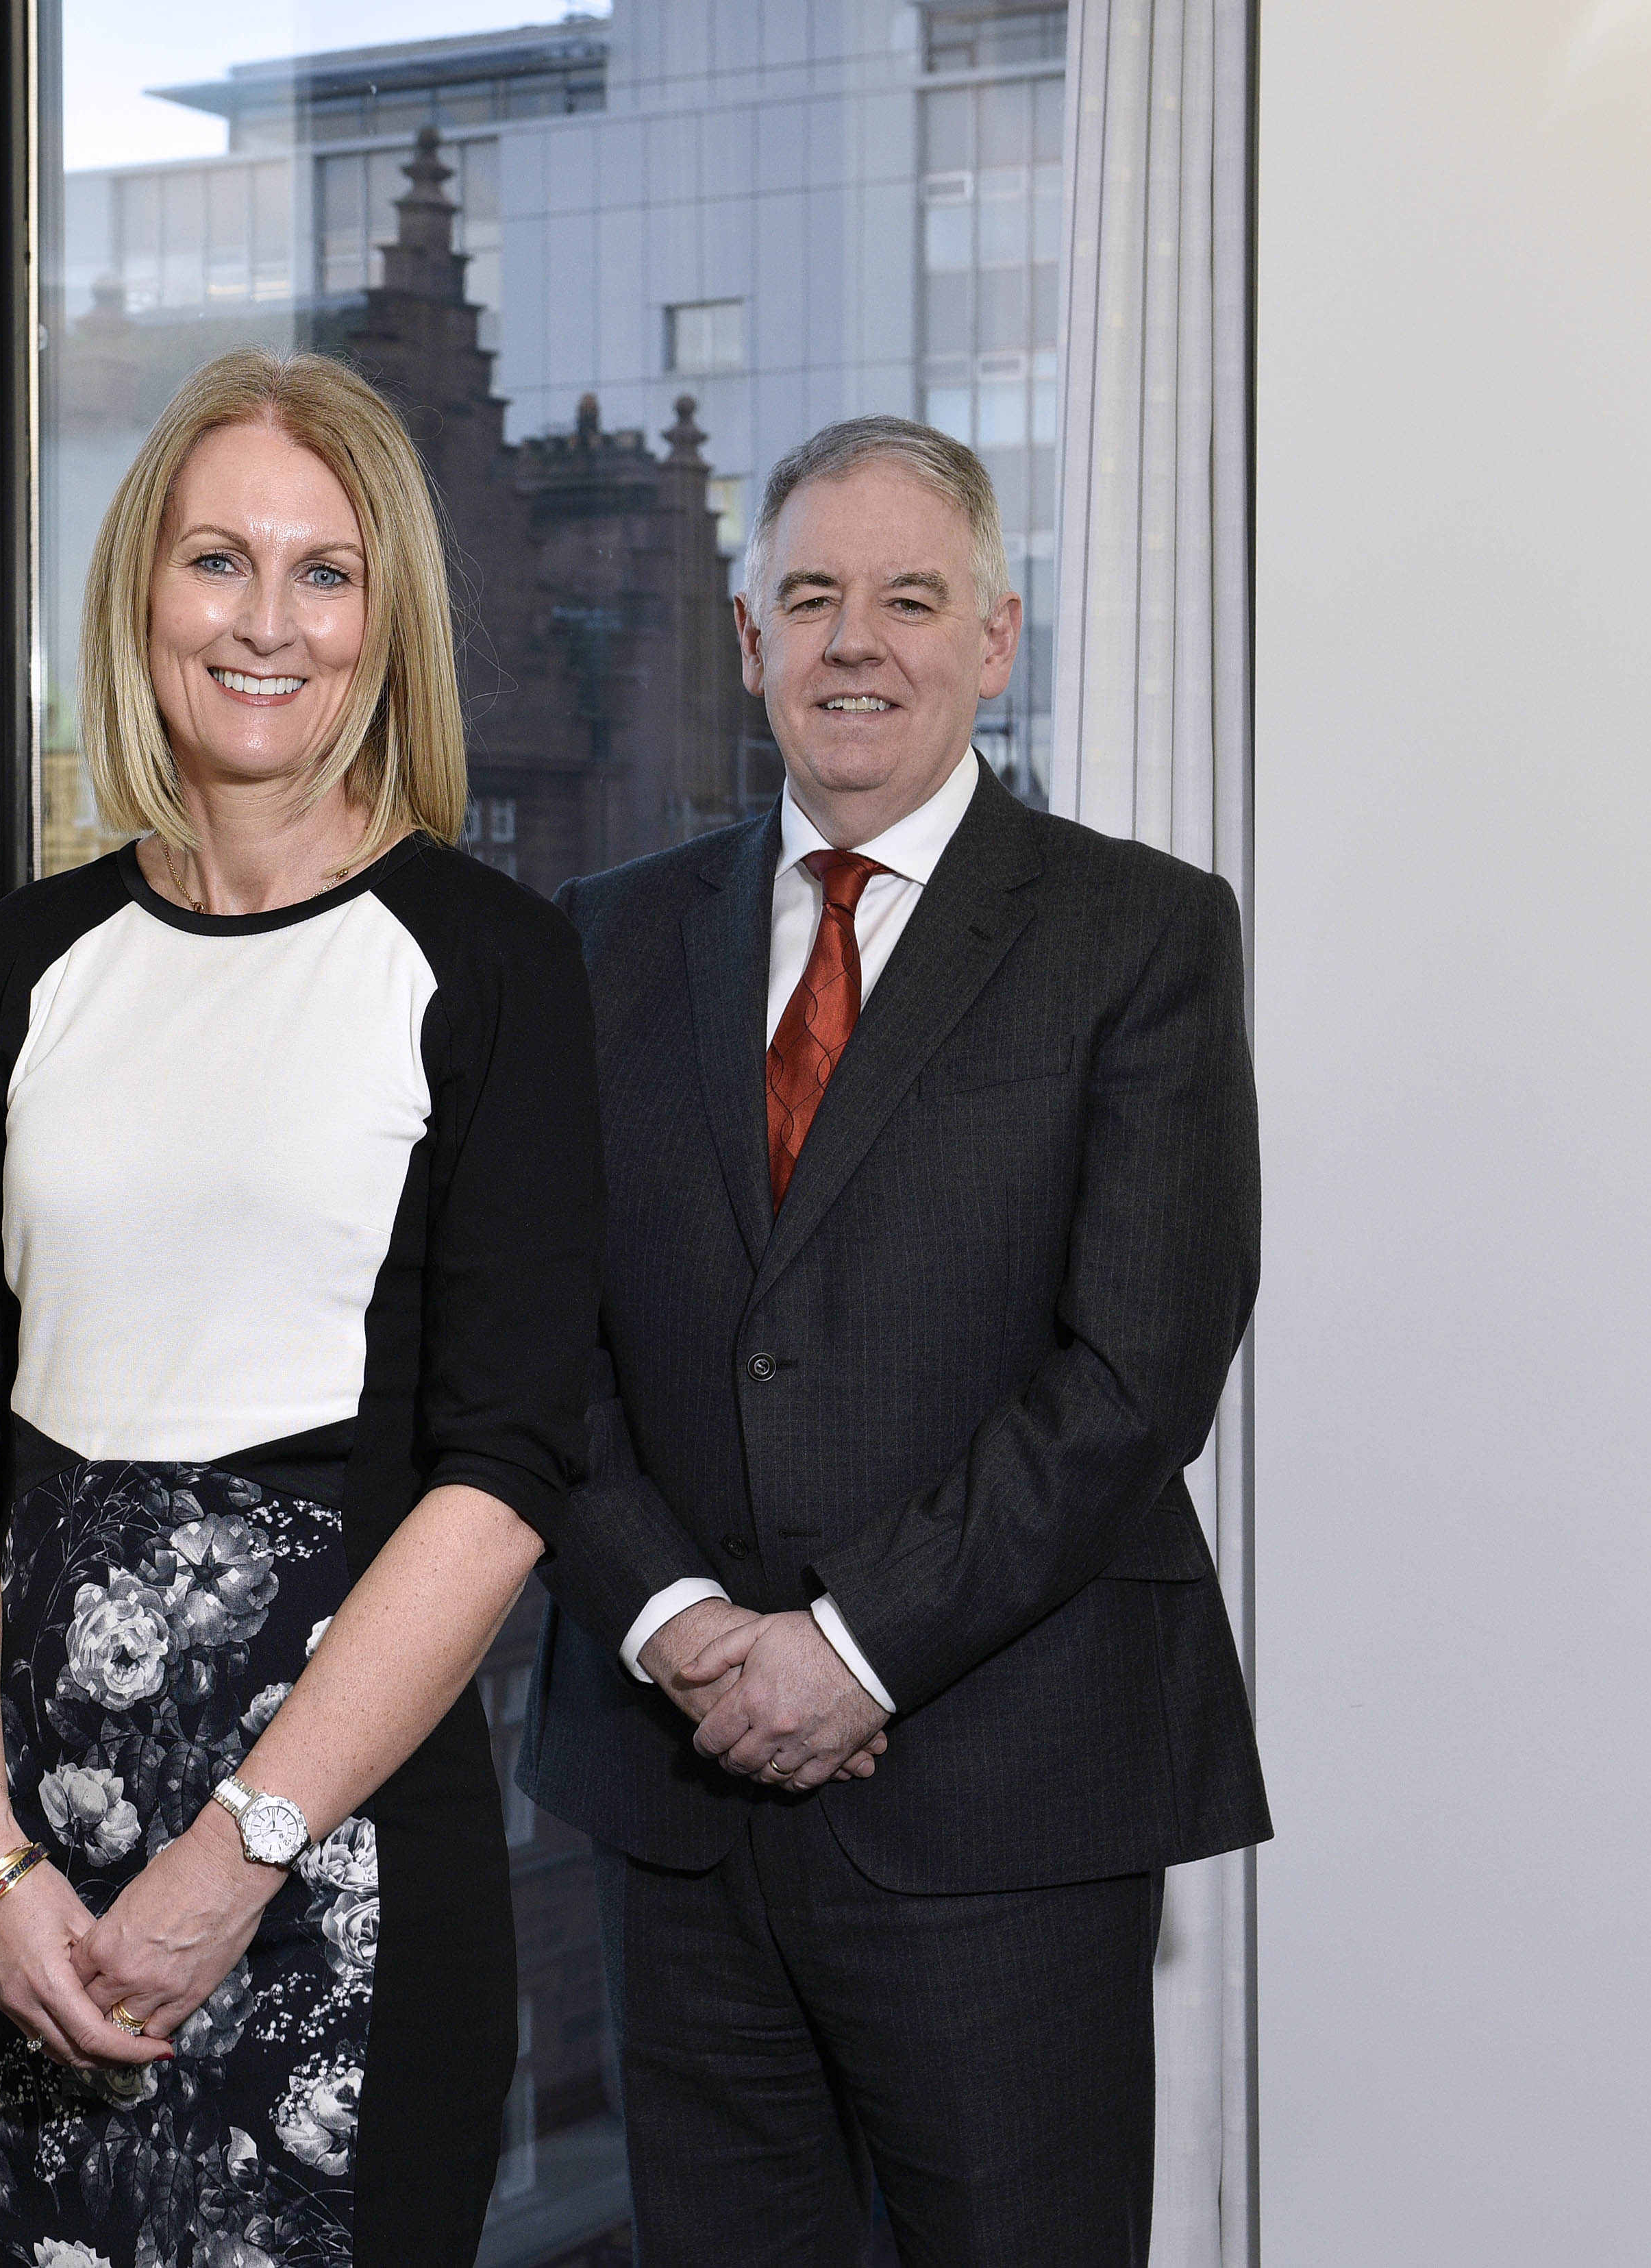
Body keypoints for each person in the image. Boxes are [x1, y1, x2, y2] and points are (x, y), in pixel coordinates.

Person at [0, 348, 603, 2268]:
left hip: (334, 1855)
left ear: (386, 619)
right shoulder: (24, 965)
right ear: (141, 598)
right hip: (32, 1885)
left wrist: (234, 1855)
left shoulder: (490, 962)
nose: (267, 624)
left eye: (324, 572)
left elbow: (504, 1469)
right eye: (218, 562)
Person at [521, 415, 1271, 2265]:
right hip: (674, 1790)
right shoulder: (599, 946)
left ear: (993, 639)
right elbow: (538, 1350)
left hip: (1002, 1792)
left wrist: (851, 1648)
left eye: (910, 599)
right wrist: (678, 1626)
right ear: (747, 635)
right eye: (813, 597)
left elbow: (1136, 1370)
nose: (858, 640)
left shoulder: (1137, 934)